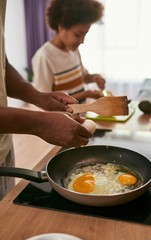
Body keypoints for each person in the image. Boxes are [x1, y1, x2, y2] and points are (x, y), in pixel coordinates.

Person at [0, 0, 93, 199]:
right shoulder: (44, 56)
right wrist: (38, 124)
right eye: (79, 33)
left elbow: (2, 65)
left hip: (3, 146)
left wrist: (38, 97)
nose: (82, 40)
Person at [32, 0, 105, 103]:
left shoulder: (74, 50)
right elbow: (45, 101)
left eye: (85, 34)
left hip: (80, 117)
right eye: (78, 35)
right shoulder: (44, 57)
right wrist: (86, 94)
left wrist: (94, 77)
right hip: (60, 119)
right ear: (61, 26)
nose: (82, 41)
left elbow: (83, 77)